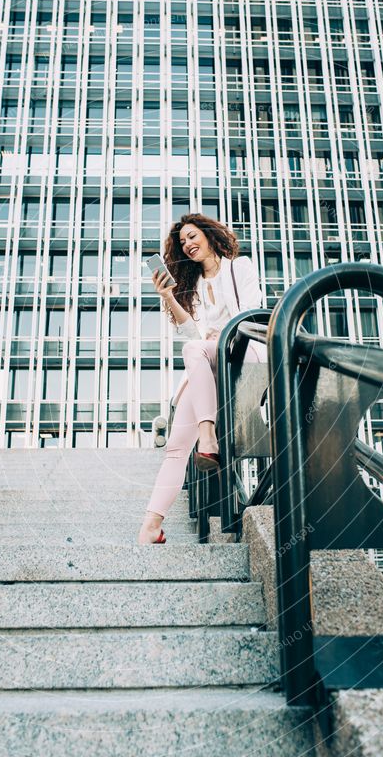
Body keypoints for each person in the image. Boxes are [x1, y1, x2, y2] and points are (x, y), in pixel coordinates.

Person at [138, 213, 266, 544]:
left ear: (209, 236)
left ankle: (208, 440)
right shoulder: (193, 285)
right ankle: (151, 528)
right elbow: (190, 333)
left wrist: (220, 332)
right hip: (207, 363)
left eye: (193, 236)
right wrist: (168, 296)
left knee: (196, 349)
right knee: (177, 447)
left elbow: (253, 312)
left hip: (244, 356)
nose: (189, 244)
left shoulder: (241, 267)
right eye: (182, 242)